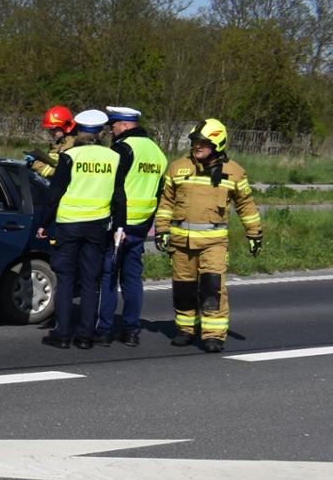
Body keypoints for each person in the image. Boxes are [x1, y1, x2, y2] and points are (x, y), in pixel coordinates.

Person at [156, 118, 262, 352]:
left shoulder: (233, 172)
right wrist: (161, 230)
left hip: (213, 244)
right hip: (180, 242)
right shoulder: (177, 167)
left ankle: (213, 335)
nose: (197, 146)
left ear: (218, 144)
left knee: (212, 289)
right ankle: (185, 329)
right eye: (195, 142)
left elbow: (246, 205)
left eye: (203, 142)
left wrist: (254, 234)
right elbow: (166, 202)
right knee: (183, 289)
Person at [36, 109, 124, 349]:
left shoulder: (69, 156)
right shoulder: (113, 157)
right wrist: (120, 226)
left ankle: (62, 335)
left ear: (80, 131)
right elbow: (119, 196)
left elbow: (55, 193)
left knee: (65, 280)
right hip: (97, 226)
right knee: (90, 281)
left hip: (69, 224)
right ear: (102, 132)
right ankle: (85, 337)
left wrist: (44, 223)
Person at [94, 106, 165, 346]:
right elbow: (159, 191)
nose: (111, 129)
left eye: (113, 124)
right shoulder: (157, 152)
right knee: (132, 279)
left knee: (108, 277)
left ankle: (103, 331)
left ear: (125, 125)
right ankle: (132, 331)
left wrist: (115, 224)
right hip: (141, 225)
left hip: (119, 225)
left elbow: (113, 188)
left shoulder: (123, 148)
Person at [25, 105, 75, 179]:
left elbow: (61, 174)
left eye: (53, 129)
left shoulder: (71, 145)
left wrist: (36, 164)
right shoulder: (59, 143)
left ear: (65, 126)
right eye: (49, 130)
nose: (51, 133)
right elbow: (54, 163)